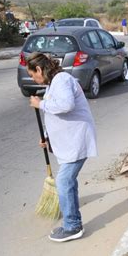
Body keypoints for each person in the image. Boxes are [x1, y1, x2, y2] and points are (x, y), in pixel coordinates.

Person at [27, 52, 97, 243]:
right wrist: (48, 138)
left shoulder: (62, 79)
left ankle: (72, 226)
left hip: (77, 140)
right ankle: (73, 222)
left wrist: (40, 104)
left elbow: (66, 105)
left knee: (64, 181)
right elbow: (55, 115)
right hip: (69, 141)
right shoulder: (53, 84)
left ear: (39, 69)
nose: (34, 79)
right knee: (68, 182)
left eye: (33, 75)